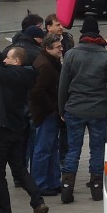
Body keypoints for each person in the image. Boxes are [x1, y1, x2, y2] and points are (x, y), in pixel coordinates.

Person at [0, 24, 47, 213]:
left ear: (16, 61)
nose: (4, 60)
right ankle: (38, 202)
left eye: (8, 58)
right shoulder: (24, 73)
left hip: (1, 128)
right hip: (16, 128)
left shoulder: (11, 75)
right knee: (19, 168)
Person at [58, 15, 107, 203]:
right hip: (98, 110)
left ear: (82, 35)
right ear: (97, 34)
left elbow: (63, 85)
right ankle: (96, 189)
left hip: (74, 109)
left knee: (73, 149)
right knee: (97, 149)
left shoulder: (72, 54)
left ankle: (66, 188)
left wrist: (61, 109)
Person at [28, 33, 64, 196]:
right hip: (46, 113)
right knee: (43, 149)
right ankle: (40, 183)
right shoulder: (45, 65)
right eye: (58, 47)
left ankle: (53, 181)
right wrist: (51, 107)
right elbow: (37, 91)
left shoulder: (50, 62)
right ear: (48, 48)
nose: (61, 49)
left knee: (52, 147)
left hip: (49, 112)